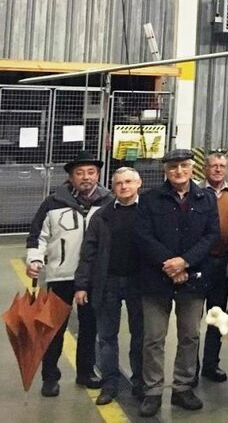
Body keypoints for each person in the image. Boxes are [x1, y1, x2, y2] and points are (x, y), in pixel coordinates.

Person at [134, 149, 220, 417]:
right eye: (173, 167)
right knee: (153, 338)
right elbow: (143, 236)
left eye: (183, 166)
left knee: (190, 336)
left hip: (192, 279)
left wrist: (185, 262)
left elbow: (211, 235)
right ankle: (153, 391)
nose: (179, 171)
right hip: (156, 278)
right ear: (166, 171)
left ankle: (183, 387)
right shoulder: (149, 199)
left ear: (192, 168)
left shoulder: (206, 198)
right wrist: (170, 264)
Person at [25, 150, 110, 397]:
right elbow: (37, 235)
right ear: (71, 177)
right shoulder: (53, 202)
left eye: (91, 172)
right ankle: (50, 377)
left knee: (89, 328)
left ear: (98, 175)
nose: (86, 177)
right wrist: (34, 259)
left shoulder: (108, 202)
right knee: (54, 329)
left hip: (92, 277)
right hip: (60, 275)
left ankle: (85, 372)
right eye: (80, 173)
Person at [74, 167, 143, 405]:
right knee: (106, 337)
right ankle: (110, 384)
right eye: (119, 183)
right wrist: (82, 285)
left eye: (128, 182)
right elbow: (88, 253)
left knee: (140, 336)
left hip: (139, 284)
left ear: (139, 184)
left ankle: (140, 383)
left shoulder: (148, 212)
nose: (124, 187)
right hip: (108, 283)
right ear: (112, 188)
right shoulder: (101, 216)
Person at [198, 152, 228, 384]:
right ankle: (189, 368)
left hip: (223, 263)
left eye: (222, 166)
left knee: (217, 317)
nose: (217, 169)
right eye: (213, 165)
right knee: (191, 319)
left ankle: (210, 364)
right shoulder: (195, 192)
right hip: (199, 263)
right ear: (204, 169)